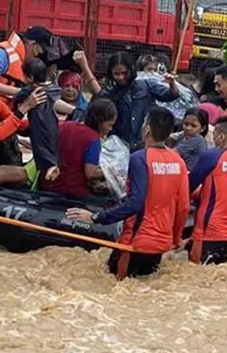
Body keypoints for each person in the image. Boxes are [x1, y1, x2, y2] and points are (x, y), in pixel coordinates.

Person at [66, 107, 189, 279]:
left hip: (136, 241)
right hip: (162, 243)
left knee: (111, 286)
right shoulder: (179, 162)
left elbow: (135, 203)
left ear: (147, 129)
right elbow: (183, 206)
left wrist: (96, 218)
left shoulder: (140, 158)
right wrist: (175, 239)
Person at [0, 26, 76, 166]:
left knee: (12, 160)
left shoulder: (21, 60)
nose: (40, 56)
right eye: (40, 51)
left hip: (6, 116)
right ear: (33, 45)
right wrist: (23, 93)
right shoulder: (2, 54)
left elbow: (46, 98)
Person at [187, 116, 227, 264]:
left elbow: (188, 186)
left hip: (207, 232)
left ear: (221, 136)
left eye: (214, 136)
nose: (214, 140)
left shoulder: (214, 155)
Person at [92, 51, 180, 150]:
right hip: (119, 146)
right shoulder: (107, 94)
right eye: (117, 74)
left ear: (131, 70)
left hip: (143, 144)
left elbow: (171, 95)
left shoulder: (146, 85)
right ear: (111, 74)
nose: (121, 77)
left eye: (124, 73)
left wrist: (172, 84)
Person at [42, 99, 117, 198]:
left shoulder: (65, 125)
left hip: (47, 183)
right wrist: (111, 170)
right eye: (109, 125)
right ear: (100, 121)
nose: (110, 129)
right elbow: (90, 173)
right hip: (70, 191)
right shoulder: (93, 139)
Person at [14, 58, 60, 183]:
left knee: (39, 146)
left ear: (29, 77)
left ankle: (49, 168)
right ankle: (53, 164)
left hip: (38, 123)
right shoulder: (50, 89)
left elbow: (16, 99)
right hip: (51, 122)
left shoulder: (29, 90)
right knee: (50, 144)